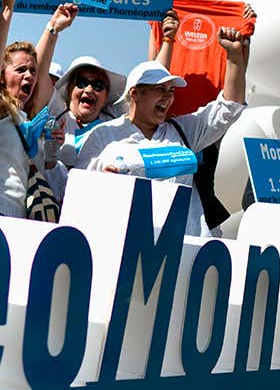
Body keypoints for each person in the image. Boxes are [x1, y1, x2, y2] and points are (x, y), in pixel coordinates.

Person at [77, 28, 249, 235]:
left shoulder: (183, 130)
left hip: (186, 244)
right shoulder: (103, 136)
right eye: (160, 89)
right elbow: (80, 193)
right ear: (135, 93)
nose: (168, 97)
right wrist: (104, 184)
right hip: (128, 242)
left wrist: (234, 57)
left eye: (171, 91)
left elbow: (229, 107)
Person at [0, 0, 75, 218]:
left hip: (19, 213)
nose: (29, 76)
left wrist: (53, 28)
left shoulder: (27, 116)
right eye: (20, 70)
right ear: (3, 77)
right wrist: (7, 7)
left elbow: (42, 70)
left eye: (32, 71)